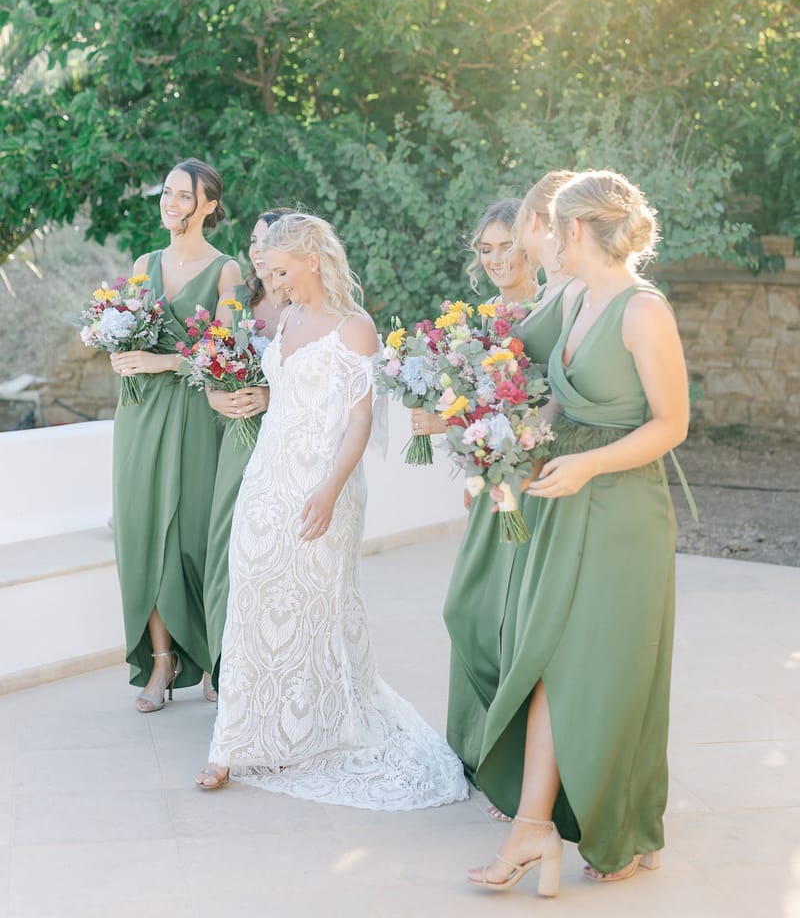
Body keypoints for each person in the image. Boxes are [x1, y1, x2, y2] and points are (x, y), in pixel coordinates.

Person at [195, 213, 467, 810]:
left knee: (314, 602)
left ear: (312, 259)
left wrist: (327, 489)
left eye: (283, 270)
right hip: (266, 477)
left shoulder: (355, 328)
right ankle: (235, 739)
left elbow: (359, 421)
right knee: (252, 594)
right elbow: (284, 398)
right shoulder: (287, 316)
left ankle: (312, 727)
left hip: (324, 483)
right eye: (270, 272)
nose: (277, 282)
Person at [468, 169, 689, 896]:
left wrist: (588, 464)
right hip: (562, 498)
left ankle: (598, 826)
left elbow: (672, 424)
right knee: (551, 658)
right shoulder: (576, 300)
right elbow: (536, 386)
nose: (539, 244)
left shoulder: (640, 310)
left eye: (546, 229)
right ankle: (542, 826)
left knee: (605, 670)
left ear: (570, 232)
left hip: (623, 510)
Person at [412, 181, 578, 819]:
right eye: (485, 248)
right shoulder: (473, 324)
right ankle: (474, 748)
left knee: (513, 620)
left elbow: (548, 407)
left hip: (532, 486)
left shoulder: (555, 309)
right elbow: (474, 413)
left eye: (507, 245)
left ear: (535, 245)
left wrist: (470, 436)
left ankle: (512, 767)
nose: (496, 257)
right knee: (469, 609)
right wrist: (451, 439)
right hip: (490, 485)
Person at [110, 158, 242, 712]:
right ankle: (161, 663)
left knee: (195, 538)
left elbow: (228, 357)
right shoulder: (145, 261)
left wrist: (160, 362)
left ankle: (214, 656)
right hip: (139, 418)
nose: (171, 203)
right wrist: (120, 353)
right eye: (167, 193)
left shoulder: (228, 271)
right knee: (144, 537)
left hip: (196, 414)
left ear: (209, 205)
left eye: (184, 196)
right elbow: (129, 335)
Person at [203, 209, 291, 697]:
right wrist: (219, 396)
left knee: (270, 558)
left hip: (284, 442)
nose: (258, 250)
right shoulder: (236, 302)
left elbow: (326, 384)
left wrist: (271, 397)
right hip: (237, 440)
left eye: (270, 241)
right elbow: (212, 365)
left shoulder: (305, 304)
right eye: (254, 241)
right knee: (226, 550)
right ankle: (223, 666)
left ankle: (266, 672)